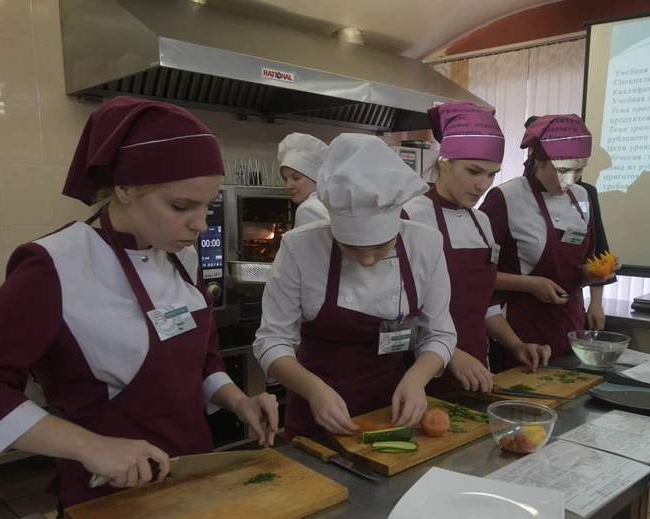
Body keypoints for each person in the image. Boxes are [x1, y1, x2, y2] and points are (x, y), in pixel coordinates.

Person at [0, 97, 280, 509]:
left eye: (207, 206)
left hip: (193, 477)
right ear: (125, 188)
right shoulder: (56, 265)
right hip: (107, 498)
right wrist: (90, 446)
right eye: (181, 206)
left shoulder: (182, 255)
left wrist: (239, 401)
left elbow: (203, 361)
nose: (200, 225)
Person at [254, 133, 457, 442]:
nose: (366, 260)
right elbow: (272, 340)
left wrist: (417, 379)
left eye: (380, 248)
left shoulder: (425, 244)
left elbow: (440, 333)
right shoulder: (300, 247)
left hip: (394, 407)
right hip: (316, 409)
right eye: (351, 248)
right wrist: (313, 389)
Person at [402, 102, 550, 395]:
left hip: (476, 371)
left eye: (492, 174)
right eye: (474, 171)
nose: (482, 184)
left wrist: (516, 344)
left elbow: (483, 303)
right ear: (444, 161)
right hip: (417, 374)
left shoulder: (481, 222)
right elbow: (392, 312)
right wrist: (448, 353)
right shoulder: (409, 216)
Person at [483, 114, 618, 364]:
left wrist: (590, 275)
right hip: (520, 332)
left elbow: (582, 263)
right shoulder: (506, 198)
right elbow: (475, 273)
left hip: (571, 328)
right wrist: (530, 284)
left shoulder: (583, 197)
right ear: (537, 161)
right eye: (562, 170)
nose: (570, 180)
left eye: (579, 170)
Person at [278, 133, 330, 227]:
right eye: (285, 179)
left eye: (296, 178)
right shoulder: (329, 203)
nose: (288, 186)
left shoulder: (309, 210)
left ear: (316, 177)